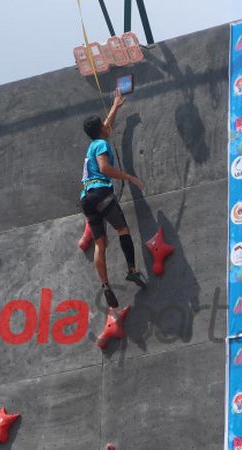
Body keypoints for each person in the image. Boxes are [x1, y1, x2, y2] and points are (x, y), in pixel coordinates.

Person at [80, 88, 148, 308]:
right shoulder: (101, 145)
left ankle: (106, 285)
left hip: (86, 198)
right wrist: (128, 177)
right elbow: (105, 167)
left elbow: (105, 127)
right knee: (122, 229)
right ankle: (132, 269)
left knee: (100, 243)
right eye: (103, 124)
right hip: (101, 192)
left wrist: (115, 107)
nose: (106, 126)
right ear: (99, 129)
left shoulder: (93, 144)